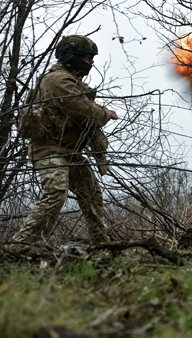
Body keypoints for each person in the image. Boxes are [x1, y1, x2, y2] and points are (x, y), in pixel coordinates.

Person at [11, 35, 118, 246]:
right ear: (71, 57)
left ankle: (101, 245)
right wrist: (105, 113)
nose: (91, 62)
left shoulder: (70, 79)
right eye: (87, 57)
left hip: (69, 152)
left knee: (91, 194)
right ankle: (19, 246)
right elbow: (83, 110)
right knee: (56, 194)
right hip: (49, 151)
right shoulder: (58, 80)